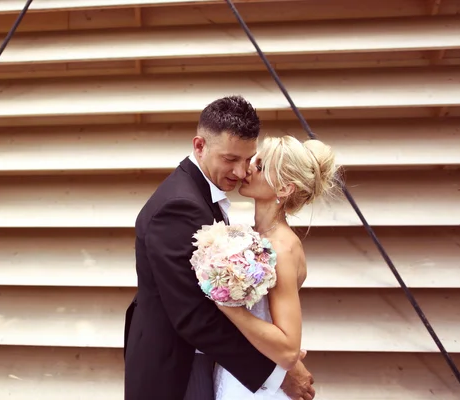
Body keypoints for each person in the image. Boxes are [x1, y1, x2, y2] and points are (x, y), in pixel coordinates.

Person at [123, 95, 315, 400]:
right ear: (200, 146)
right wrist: (276, 374)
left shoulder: (205, 198)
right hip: (177, 368)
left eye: (248, 159)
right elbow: (194, 316)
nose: (241, 172)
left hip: (216, 363)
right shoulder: (179, 206)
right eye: (230, 159)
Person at [213, 134, 340, 399]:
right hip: (236, 372)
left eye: (259, 167)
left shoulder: (282, 248)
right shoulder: (253, 237)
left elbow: (288, 347)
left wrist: (223, 302)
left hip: (255, 388)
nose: (247, 169)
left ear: (284, 189)